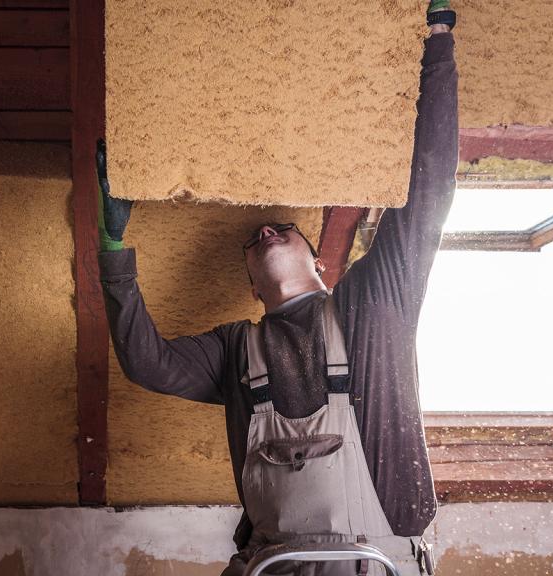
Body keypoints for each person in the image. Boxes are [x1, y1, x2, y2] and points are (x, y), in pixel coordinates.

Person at [96, 3, 457, 574]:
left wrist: (438, 37)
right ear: (250, 283)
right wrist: (113, 246)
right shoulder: (236, 349)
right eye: (256, 238)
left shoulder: (374, 302)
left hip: (365, 563)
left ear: (320, 261)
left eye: (282, 228)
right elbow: (149, 363)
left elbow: (429, 191)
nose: (266, 230)